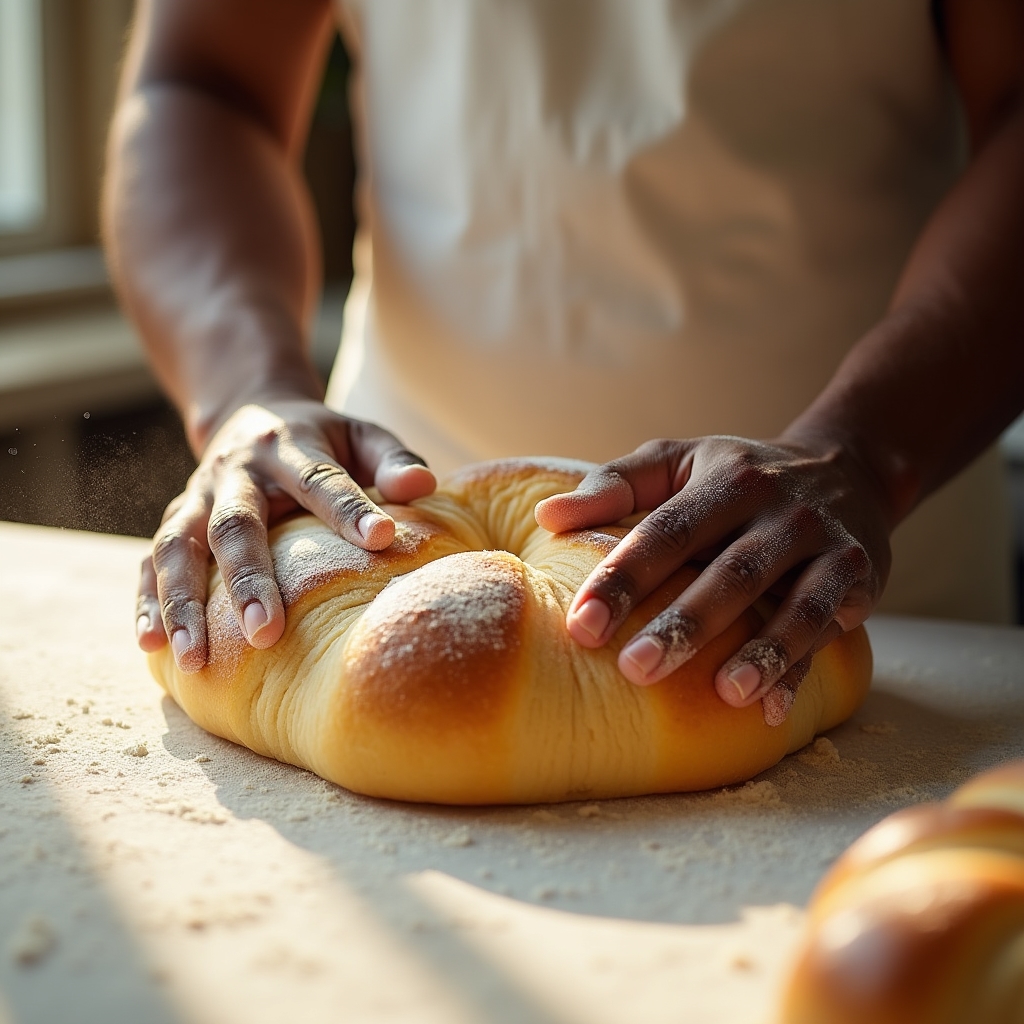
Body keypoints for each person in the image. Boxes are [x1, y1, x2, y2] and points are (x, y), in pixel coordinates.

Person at [105, 0, 1024, 724]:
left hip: (834, 580)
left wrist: (867, 448)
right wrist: (246, 392)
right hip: (370, 535)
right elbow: (205, 84)